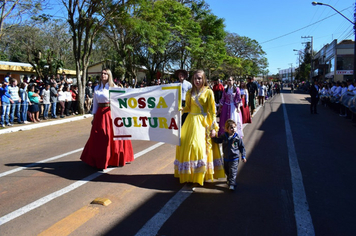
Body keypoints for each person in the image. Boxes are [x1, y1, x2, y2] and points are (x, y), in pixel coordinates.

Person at [174, 69, 224, 186]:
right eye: (195, 78)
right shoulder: (189, 92)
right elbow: (187, 108)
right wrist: (180, 109)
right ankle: (190, 174)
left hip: (203, 123)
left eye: (200, 78)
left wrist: (213, 128)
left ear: (204, 79)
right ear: (192, 79)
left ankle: (200, 174)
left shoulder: (208, 92)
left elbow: (212, 111)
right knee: (186, 145)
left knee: (199, 147)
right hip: (190, 122)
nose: (197, 80)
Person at [80, 68, 134, 169]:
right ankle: (98, 158)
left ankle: (114, 158)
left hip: (111, 113)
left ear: (109, 75)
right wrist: (94, 116)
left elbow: (120, 102)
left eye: (105, 74)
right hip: (100, 113)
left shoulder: (114, 87)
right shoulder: (97, 88)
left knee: (111, 135)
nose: (103, 75)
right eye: (102, 73)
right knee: (99, 135)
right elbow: (95, 104)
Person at [211, 119, 246, 191]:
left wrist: (243, 156)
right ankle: (229, 180)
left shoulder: (237, 138)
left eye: (234, 127)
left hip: (234, 158)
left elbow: (242, 147)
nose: (233, 129)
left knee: (232, 171)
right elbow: (218, 141)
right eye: (231, 128)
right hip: (226, 158)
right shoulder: (224, 136)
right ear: (227, 129)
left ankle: (232, 184)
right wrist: (214, 138)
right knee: (227, 171)